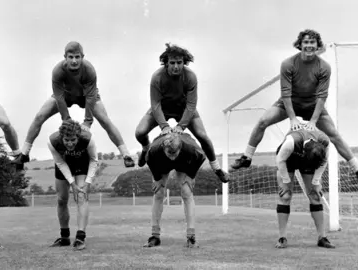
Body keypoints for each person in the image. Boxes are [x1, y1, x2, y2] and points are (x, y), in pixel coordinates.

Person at [231, 29, 358, 180]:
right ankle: (246, 157)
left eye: (312, 42)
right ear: (300, 44)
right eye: (306, 42)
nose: (309, 45)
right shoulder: (288, 64)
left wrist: (313, 121)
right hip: (290, 102)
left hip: (312, 105)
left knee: (334, 135)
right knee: (262, 122)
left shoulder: (324, 67)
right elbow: (285, 93)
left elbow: (322, 95)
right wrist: (292, 119)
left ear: (317, 45)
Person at [13, 41, 134, 169]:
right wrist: (66, 119)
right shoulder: (58, 71)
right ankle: (24, 153)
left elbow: (91, 96)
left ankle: (126, 154)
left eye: (77, 57)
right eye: (71, 57)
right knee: (39, 116)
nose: (74, 61)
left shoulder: (89, 70)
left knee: (105, 120)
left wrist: (88, 121)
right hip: (65, 95)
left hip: (86, 96)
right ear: (65, 57)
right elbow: (59, 96)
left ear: (83, 57)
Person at [135, 43, 227, 182]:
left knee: (203, 136)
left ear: (184, 63)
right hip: (162, 109)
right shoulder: (157, 77)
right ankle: (144, 149)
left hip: (184, 110)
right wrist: (164, 126)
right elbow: (155, 104)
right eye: (172, 63)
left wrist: (181, 126)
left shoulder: (190, 77)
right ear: (166, 63)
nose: (176, 66)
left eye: (179, 63)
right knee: (140, 132)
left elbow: (191, 105)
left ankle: (217, 168)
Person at [142, 132, 228, 248]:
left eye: (174, 153)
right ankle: (155, 236)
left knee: (187, 192)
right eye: (170, 153)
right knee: (158, 193)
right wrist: (157, 179)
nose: (172, 156)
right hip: (162, 162)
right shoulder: (154, 151)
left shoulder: (190, 149)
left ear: (180, 148)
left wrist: (191, 176)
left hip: (184, 161)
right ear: (163, 147)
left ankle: (191, 237)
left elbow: (201, 157)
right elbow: (149, 160)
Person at [275, 128, 335, 249]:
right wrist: (286, 181)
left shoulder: (325, 143)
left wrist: (316, 182)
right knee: (285, 195)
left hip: (308, 161)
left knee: (315, 195)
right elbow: (280, 160)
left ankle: (322, 238)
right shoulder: (291, 142)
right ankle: (282, 238)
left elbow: (323, 163)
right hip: (287, 159)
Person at [47, 119, 98, 251]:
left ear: (78, 136)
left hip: (82, 163)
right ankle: (64, 238)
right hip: (64, 164)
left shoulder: (88, 139)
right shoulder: (52, 141)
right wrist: (72, 183)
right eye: (66, 140)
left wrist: (87, 183)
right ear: (61, 137)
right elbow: (60, 163)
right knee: (62, 199)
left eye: (73, 140)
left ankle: (80, 237)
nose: (70, 143)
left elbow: (93, 160)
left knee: (81, 196)